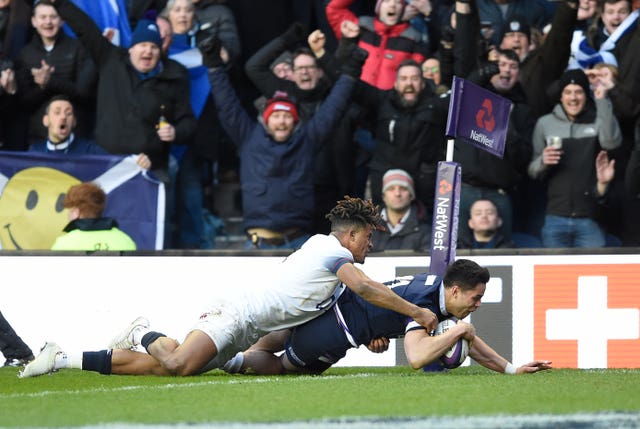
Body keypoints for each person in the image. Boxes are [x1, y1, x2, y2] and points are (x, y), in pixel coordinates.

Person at [19, 196, 439, 378]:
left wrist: (373, 336)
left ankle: (63, 359)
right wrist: (418, 313)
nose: (372, 243)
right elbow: (366, 290)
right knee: (179, 364)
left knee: (165, 370)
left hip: (250, 328)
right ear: (350, 235)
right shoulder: (332, 252)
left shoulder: (330, 260)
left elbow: (351, 308)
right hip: (235, 314)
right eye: (369, 236)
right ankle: (144, 331)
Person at [224, 259, 552, 376]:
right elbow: (417, 356)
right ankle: (226, 363)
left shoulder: (435, 286)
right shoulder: (424, 303)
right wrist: (459, 331)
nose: (478, 304)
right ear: (454, 292)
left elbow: (470, 339)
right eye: (475, 297)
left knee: (278, 334)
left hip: (332, 308)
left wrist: (511, 369)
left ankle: (222, 354)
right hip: (335, 330)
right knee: (284, 367)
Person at [47, 0, 196, 188]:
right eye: (142, 45)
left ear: (160, 52)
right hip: (106, 164)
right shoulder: (111, 59)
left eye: (154, 47)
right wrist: (60, 4)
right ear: (131, 48)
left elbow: (188, 122)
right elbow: (85, 28)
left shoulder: (174, 77)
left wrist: (175, 132)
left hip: (150, 168)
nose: (147, 51)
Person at [527, 68, 622, 248]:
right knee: (554, 274)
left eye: (579, 92)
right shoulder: (545, 123)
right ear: (561, 96)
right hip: (555, 216)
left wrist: (601, 99)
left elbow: (611, 143)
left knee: (592, 272)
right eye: (568, 92)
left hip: (590, 217)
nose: (573, 98)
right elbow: (532, 171)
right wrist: (542, 161)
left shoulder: (598, 119)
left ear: (586, 95)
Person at [14, 0, 97, 147]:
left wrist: (50, 82)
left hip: (76, 138)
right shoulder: (25, 54)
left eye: (53, 17)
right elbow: (23, 102)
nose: (48, 22)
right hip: (38, 139)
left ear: (62, 20)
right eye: (43, 17)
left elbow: (85, 93)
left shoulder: (78, 48)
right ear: (33, 21)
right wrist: (41, 88)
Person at [325, 0, 429, 90]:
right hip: (354, 98)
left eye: (398, 2)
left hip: (389, 106)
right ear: (378, 7)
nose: (392, 5)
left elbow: (417, 77)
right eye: (387, 1)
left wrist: (430, 12)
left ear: (403, 9)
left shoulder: (414, 38)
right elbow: (334, 8)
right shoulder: (359, 27)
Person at [29, 95, 152, 169]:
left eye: (68, 113)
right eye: (57, 112)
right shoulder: (34, 151)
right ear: (46, 121)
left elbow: (114, 164)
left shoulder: (89, 150)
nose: (63, 117)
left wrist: (137, 161)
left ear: (74, 122)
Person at [50, 182, 138, 251]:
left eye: (70, 210)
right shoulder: (125, 241)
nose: (68, 214)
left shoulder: (63, 244)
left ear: (76, 212)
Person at [370, 169, 430, 252]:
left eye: (403, 188)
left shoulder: (426, 230)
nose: (397, 193)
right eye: (391, 189)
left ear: (411, 196)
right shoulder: (368, 227)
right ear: (383, 196)